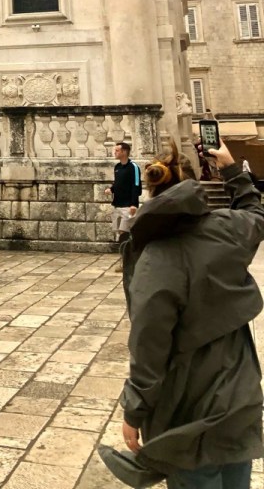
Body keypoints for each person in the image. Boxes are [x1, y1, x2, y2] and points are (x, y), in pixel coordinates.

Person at [99, 138, 264, 489]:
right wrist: (232, 170)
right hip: (239, 395)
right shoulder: (228, 229)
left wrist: (134, 410)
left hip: (187, 407)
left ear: (152, 193)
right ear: (195, 188)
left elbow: (149, 346)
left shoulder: (156, 259)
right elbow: (256, 214)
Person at [108, 141, 141, 245]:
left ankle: (128, 252)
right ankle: (124, 251)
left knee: (124, 232)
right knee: (119, 233)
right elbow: (117, 183)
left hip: (128, 206)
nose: (114, 152)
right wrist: (111, 189)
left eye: (117, 150)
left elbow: (136, 185)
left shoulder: (133, 167)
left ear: (124, 152)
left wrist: (134, 204)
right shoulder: (117, 167)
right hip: (117, 205)